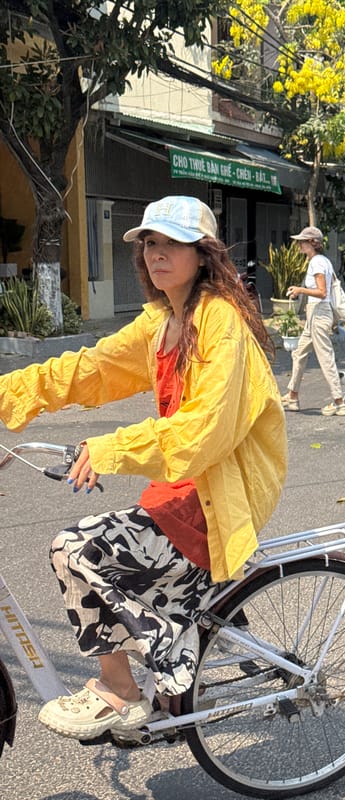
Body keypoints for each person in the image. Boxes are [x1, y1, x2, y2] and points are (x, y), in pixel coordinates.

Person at [0, 196, 287, 740]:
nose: (157, 253)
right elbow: (90, 369)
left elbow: (205, 430)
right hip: (183, 482)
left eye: (171, 243)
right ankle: (171, 673)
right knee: (120, 561)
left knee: (76, 549)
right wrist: (5, 398)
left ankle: (123, 690)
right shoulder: (163, 320)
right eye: (150, 243)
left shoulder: (219, 321)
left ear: (203, 254)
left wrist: (108, 449)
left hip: (222, 491)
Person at [280, 226, 345, 416]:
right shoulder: (322, 261)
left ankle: (339, 402)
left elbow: (322, 292)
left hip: (319, 313)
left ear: (312, 243)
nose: (299, 244)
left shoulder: (317, 263)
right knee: (299, 353)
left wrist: (299, 290)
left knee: (325, 358)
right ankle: (292, 396)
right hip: (315, 314)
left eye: (302, 241)